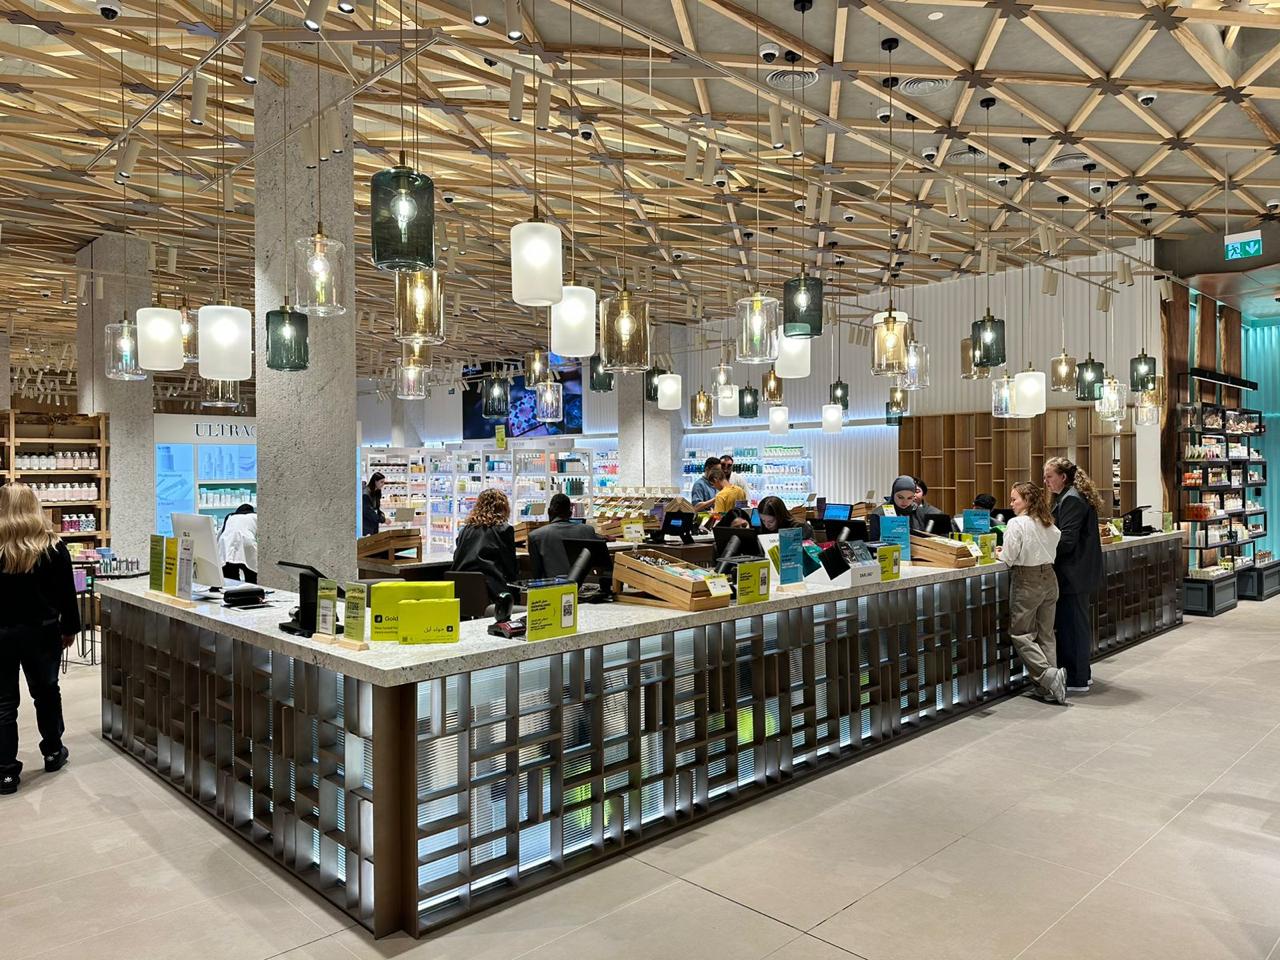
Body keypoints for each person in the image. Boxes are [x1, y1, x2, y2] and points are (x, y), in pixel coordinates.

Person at [0, 483, 80, 795]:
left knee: (3, 701)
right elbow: (67, 595)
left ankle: (6, 772)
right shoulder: (53, 547)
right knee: (46, 692)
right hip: (42, 632)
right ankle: (53, 751)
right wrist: (70, 628)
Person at [1000, 482, 1067, 705]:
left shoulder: (1017, 523)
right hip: (1049, 577)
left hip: (1026, 579)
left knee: (1021, 633)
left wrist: (999, 552)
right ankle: (1048, 689)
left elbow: (1009, 557)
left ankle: (1048, 676)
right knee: (1046, 634)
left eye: (1014, 499)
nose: (1011, 504)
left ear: (1027, 500)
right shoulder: (1048, 523)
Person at [1044, 456, 1104, 693]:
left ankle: (1077, 678)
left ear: (1063, 477)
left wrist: (1042, 548)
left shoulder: (1071, 499)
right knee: (1074, 624)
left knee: (1072, 627)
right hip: (1076, 573)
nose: (1046, 481)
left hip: (1073, 573)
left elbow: (1067, 540)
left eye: (1049, 476)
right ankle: (1080, 674)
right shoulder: (1072, 496)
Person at [452, 488, 519, 602]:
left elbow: (457, 556)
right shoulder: (503, 529)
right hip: (491, 589)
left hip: (461, 587)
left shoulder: (466, 530)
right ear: (503, 507)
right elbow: (509, 564)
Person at [528, 493, 604, 578]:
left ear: (549, 512)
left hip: (553, 585)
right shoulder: (588, 530)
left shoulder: (535, 536)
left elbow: (537, 575)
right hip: (586, 584)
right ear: (570, 513)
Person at [880, 475, 948, 533]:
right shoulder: (891, 510)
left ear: (924, 494)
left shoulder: (936, 513)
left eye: (917, 491)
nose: (913, 495)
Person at [218, 504, 258, 583]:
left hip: (226, 545)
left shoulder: (230, 517)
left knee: (231, 581)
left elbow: (220, 535)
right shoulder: (256, 516)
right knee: (252, 578)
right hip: (247, 543)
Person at [361, 472, 387, 537]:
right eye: (381, 482)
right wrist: (383, 520)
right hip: (366, 526)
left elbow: (376, 508)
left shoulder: (377, 492)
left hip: (374, 525)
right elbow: (368, 512)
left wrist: (381, 514)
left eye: (384, 482)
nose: (383, 484)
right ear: (375, 481)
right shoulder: (366, 493)